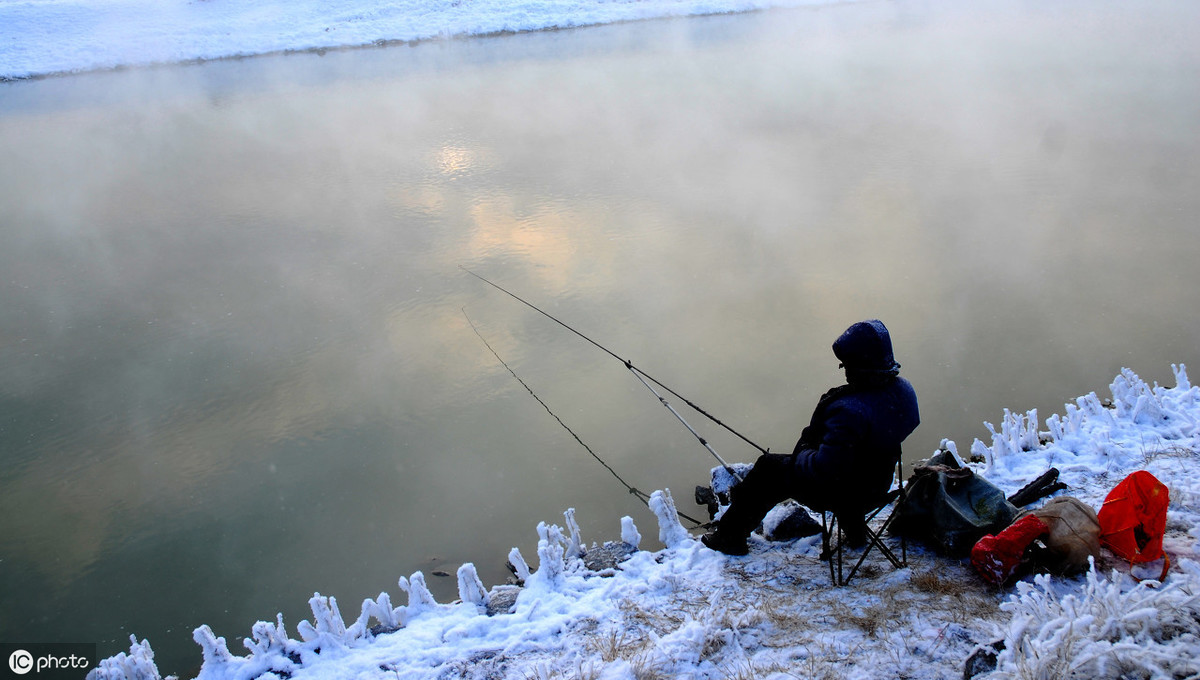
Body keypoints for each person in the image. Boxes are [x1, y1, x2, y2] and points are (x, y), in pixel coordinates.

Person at [701, 319, 920, 556]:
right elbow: (890, 431)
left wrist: (804, 450)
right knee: (857, 462)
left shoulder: (849, 411)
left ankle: (729, 538)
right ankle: (856, 530)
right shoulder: (903, 391)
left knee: (769, 468)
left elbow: (823, 469)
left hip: (844, 492)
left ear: (861, 366)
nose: (845, 372)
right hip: (876, 483)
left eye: (846, 365)